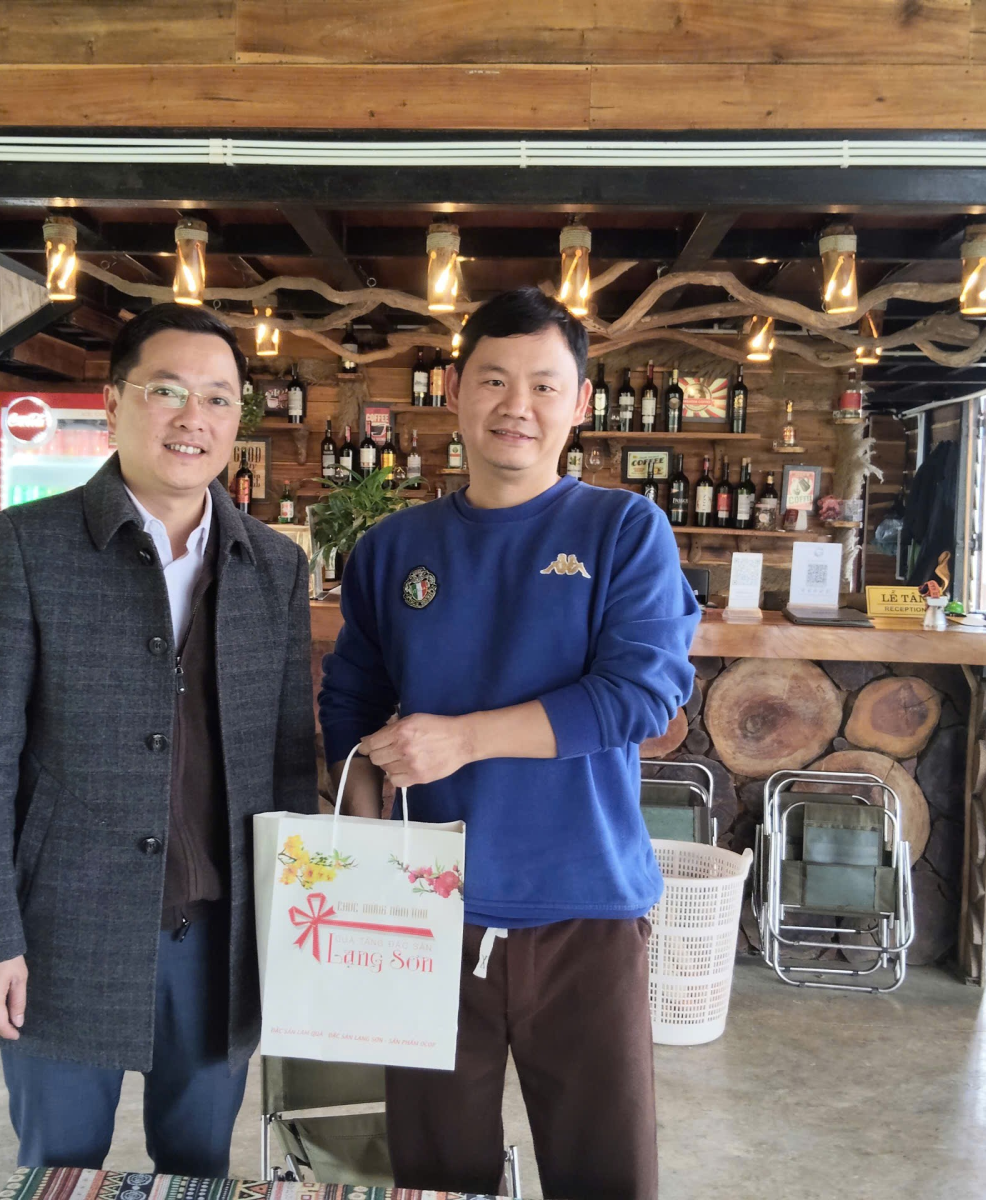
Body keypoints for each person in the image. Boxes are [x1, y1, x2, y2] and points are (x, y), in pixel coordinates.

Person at [318, 288, 700, 1200]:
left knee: (606, 1174)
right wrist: (365, 843)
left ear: (581, 403)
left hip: (586, 910)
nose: (515, 405)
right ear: (454, 391)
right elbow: (351, 702)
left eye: (543, 384)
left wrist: (464, 741)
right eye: (493, 379)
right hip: (425, 914)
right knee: (435, 1174)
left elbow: (642, 695)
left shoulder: (623, 530)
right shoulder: (393, 547)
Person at [0, 304, 317, 1174]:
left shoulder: (274, 566)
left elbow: (288, 762)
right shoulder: (28, 545)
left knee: (198, 1169)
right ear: (113, 404)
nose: (194, 417)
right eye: (167, 391)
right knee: (61, 1170)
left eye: (218, 398)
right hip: (61, 934)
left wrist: (290, 937)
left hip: (217, 937)